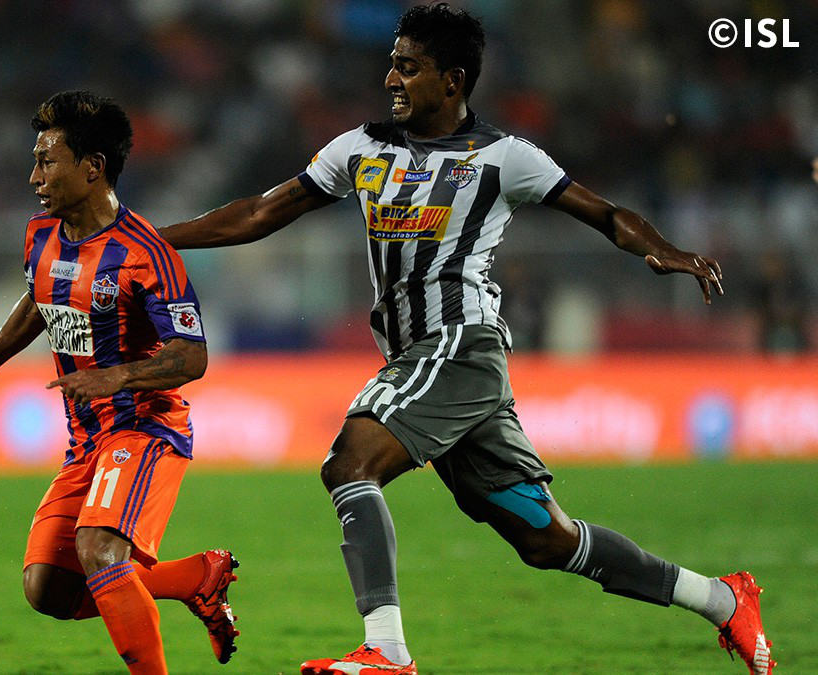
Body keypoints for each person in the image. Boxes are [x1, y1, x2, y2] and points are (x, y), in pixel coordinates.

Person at [158, 5, 773, 675]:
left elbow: (606, 214)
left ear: (452, 80)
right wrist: (153, 239)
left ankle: (387, 651)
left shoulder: (504, 158)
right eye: (392, 63)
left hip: (458, 346)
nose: (390, 78)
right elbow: (258, 212)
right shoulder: (359, 148)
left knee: (350, 463)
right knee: (546, 539)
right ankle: (722, 598)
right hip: (428, 365)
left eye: (408, 67)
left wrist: (660, 248)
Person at [0, 90, 238, 674]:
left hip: (144, 429)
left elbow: (192, 355)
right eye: (36, 161)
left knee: (99, 550)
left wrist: (115, 376)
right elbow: (38, 299)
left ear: (93, 167)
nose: (34, 177)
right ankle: (195, 578)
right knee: (47, 587)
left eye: (47, 162)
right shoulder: (41, 234)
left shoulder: (146, 253)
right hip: (85, 441)